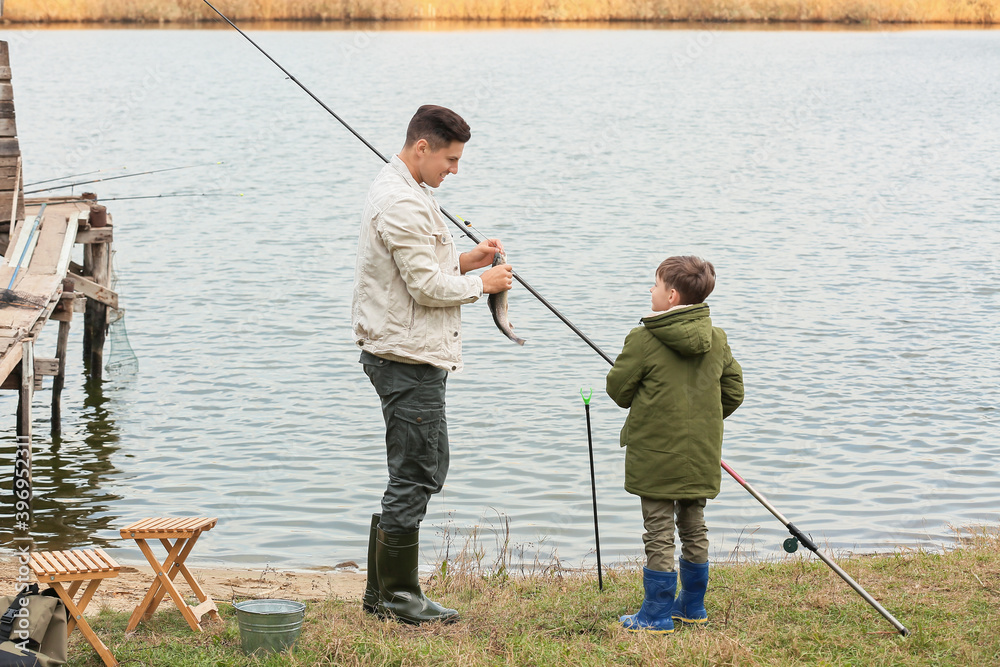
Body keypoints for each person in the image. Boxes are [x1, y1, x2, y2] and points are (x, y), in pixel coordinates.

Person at [352, 105, 513, 624]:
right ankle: (399, 597)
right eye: (450, 159)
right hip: (407, 358)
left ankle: (383, 595)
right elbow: (424, 288)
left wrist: (466, 261)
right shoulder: (400, 201)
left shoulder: (411, 189)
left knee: (418, 467)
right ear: (422, 148)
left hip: (407, 352)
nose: (455, 169)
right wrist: (481, 285)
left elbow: (419, 268)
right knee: (417, 471)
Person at [606, 255, 744, 634]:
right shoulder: (716, 339)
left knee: (658, 529)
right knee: (694, 523)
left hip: (654, 454)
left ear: (670, 295)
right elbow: (733, 392)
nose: (649, 290)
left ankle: (656, 613)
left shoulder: (643, 338)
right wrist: (702, 425)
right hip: (699, 452)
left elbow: (618, 390)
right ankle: (693, 605)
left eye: (654, 285)